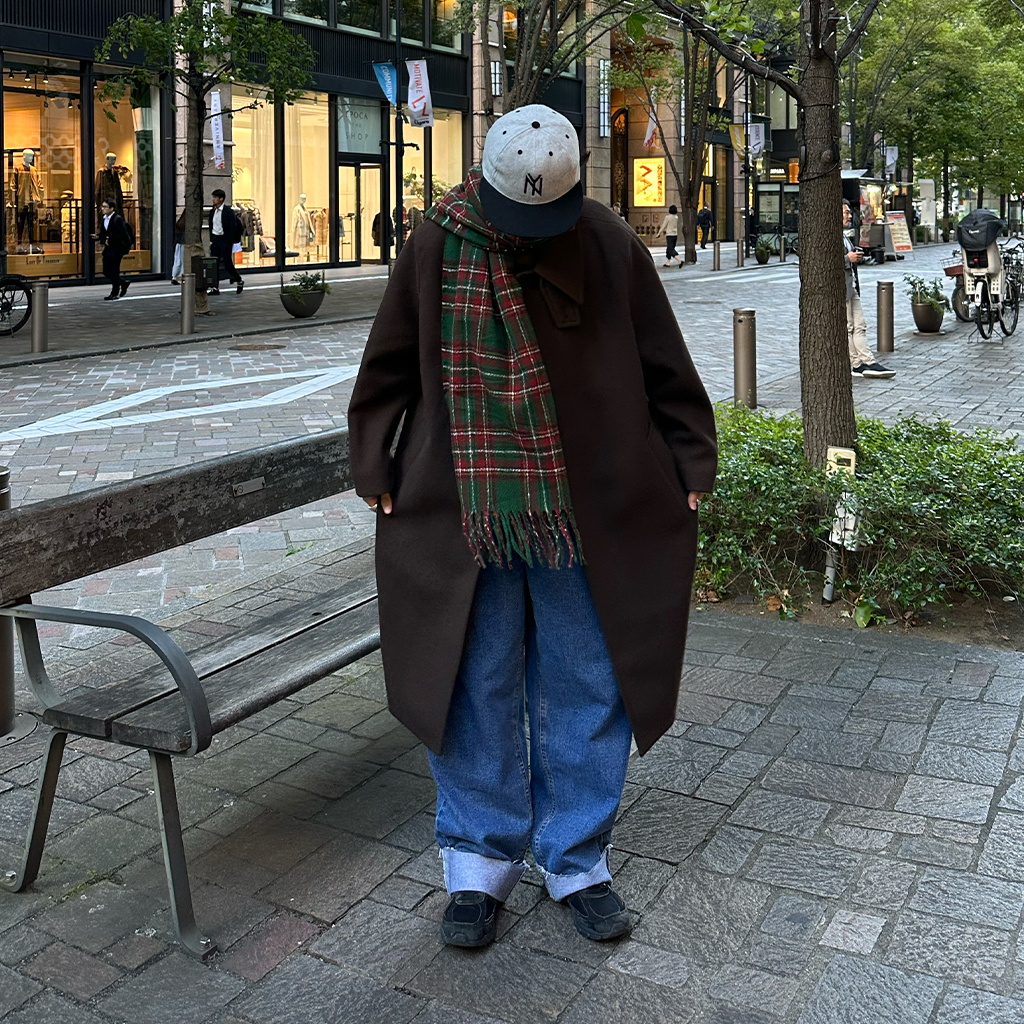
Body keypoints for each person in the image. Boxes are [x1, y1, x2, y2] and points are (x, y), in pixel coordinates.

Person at [348, 104, 717, 950]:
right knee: (471, 678)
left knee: (587, 676)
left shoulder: (606, 240)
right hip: (462, 504)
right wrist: (374, 462)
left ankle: (576, 858)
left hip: (592, 503)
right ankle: (478, 862)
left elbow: (664, 360)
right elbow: (388, 363)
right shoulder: (437, 242)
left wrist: (691, 461)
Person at [843, 200, 895, 379]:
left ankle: (868, 361)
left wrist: (855, 256)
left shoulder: (844, 236)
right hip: (842, 289)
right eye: (846, 213)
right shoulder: (830, 237)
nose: (850, 216)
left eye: (849, 213)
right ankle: (856, 364)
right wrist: (847, 258)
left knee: (860, 325)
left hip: (851, 286)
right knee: (849, 327)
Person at [90, 198, 131, 300]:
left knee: (114, 270)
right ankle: (123, 283)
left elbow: (123, 234)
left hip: (117, 248)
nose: (102, 209)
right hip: (109, 249)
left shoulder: (118, 219)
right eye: (102, 206)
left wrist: (110, 239)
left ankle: (114, 292)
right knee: (106, 270)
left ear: (112, 208)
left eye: (105, 207)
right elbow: (105, 233)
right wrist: (98, 237)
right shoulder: (104, 219)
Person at [207, 188, 244, 295]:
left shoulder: (228, 212)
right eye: (213, 197)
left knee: (227, 263)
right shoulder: (212, 211)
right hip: (215, 239)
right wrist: (211, 239)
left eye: (215, 197)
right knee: (214, 264)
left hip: (225, 240)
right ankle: (215, 288)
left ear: (221, 199)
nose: (213, 199)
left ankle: (238, 279)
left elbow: (233, 227)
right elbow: (211, 225)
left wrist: (229, 241)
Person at [171, 209, 186, 284]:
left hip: (178, 244)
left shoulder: (180, 223)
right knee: (183, 261)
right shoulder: (187, 224)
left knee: (177, 260)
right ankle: (181, 276)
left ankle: (174, 276)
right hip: (184, 243)